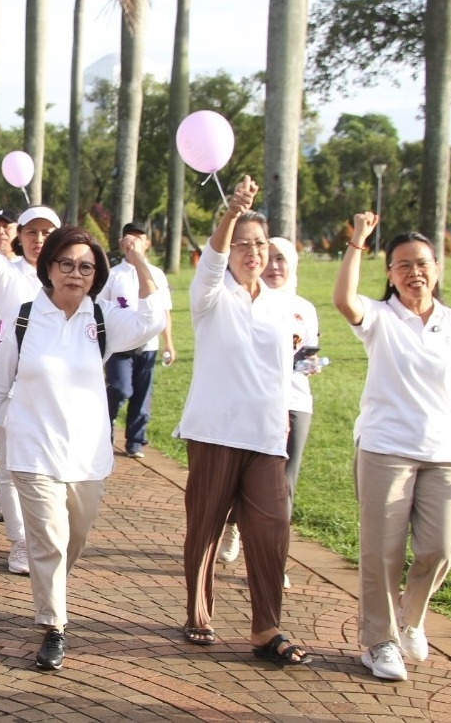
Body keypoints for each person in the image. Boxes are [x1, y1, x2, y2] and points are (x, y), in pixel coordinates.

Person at [0, 226, 164, 671]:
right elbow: (1, 379)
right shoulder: (24, 317)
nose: (75, 274)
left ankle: (53, 600)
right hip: (31, 451)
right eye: (67, 264)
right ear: (50, 267)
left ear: (96, 274)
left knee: (72, 542)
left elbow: (152, 319)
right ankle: (54, 626)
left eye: (86, 267)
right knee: (48, 541)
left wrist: (138, 260)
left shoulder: (101, 320)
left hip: (86, 456)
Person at [333, 213, 451, 682]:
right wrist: (358, 242)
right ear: (389, 274)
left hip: (444, 453)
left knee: (441, 547)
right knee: (383, 552)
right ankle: (379, 642)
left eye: (421, 264)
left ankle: (411, 618)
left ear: (436, 268)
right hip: (386, 448)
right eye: (402, 265)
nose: (413, 273)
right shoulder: (380, 317)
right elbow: (343, 300)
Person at [171, 176, 313, 665]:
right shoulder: (211, 296)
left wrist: (284, 421)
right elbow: (211, 263)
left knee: (272, 529)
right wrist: (232, 213)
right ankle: (198, 613)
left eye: (260, 244)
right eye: (242, 244)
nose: (253, 252)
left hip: (267, 435)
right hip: (215, 429)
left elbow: (281, 369)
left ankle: (266, 627)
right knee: (205, 525)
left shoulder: (282, 303)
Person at [217, 237, 320, 586]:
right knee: (242, 480)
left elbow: (308, 351)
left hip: (294, 403)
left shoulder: (304, 308)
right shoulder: (244, 301)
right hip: (252, 402)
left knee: (282, 487)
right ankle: (232, 525)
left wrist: (310, 364)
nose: (274, 266)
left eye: (282, 259)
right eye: (269, 258)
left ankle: (270, 561)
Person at [0, 204, 60, 574]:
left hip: (56, 396)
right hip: (12, 390)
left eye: (46, 233)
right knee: (10, 470)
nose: (39, 240)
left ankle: (46, 535)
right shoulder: (6, 275)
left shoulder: (72, 278)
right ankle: (20, 542)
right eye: (31, 233)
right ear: (18, 236)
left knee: (54, 471)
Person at [101, 222, 175, 459]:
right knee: (120, 389)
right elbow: (101, 308)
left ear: (147, 243)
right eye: (128, 240)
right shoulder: (113, 275)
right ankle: (106, 428)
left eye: (138, 239)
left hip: (148, 345)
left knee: (142, 395)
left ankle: (135, 441)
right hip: (120, 346)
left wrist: (168, 343)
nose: (132, 244)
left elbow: (164, 311)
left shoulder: (157, 275)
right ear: (121, 243)